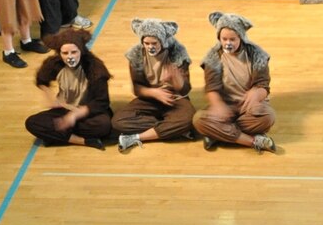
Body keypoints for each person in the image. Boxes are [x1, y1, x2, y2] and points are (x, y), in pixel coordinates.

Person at [109, 17, 196, 154]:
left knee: (190, 119)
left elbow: (185, 90)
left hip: (175, 98)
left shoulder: (177, 52)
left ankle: (136, 137)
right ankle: (172, 129)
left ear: (162, 41)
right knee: (118, 121)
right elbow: (137, 88)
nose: (150, 47)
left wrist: (176, 78)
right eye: (146, 43)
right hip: (149, 98)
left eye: (154, 43)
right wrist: (154, 93)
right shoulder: (136, 55)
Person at [197, 11, 277, 152]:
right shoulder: (213, 56)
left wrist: (256, 94)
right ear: (219, 38)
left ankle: (219, 133)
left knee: (267, 118)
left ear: (241, 37)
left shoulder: (257, 54)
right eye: (224, 39)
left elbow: (263, 85)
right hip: (225, 106)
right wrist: (217, 105)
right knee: (198, 120)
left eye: (232, 39)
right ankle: (254, 140)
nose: (228, 43)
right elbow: (212, 87)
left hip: (249, 106)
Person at [26, 27, 114, 149]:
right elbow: (41, 80)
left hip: (87, 112)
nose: (69, 57)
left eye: (74, 52)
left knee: (104, 126)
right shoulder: (54, 63)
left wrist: (74, 115)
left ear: (81, 51)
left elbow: (101, 102)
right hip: (64, 108)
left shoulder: (95, 68)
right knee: (32, 123)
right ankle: (83, 141)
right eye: (65, 53)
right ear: (59, 53)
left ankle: (55, 135)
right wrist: (49, 96)